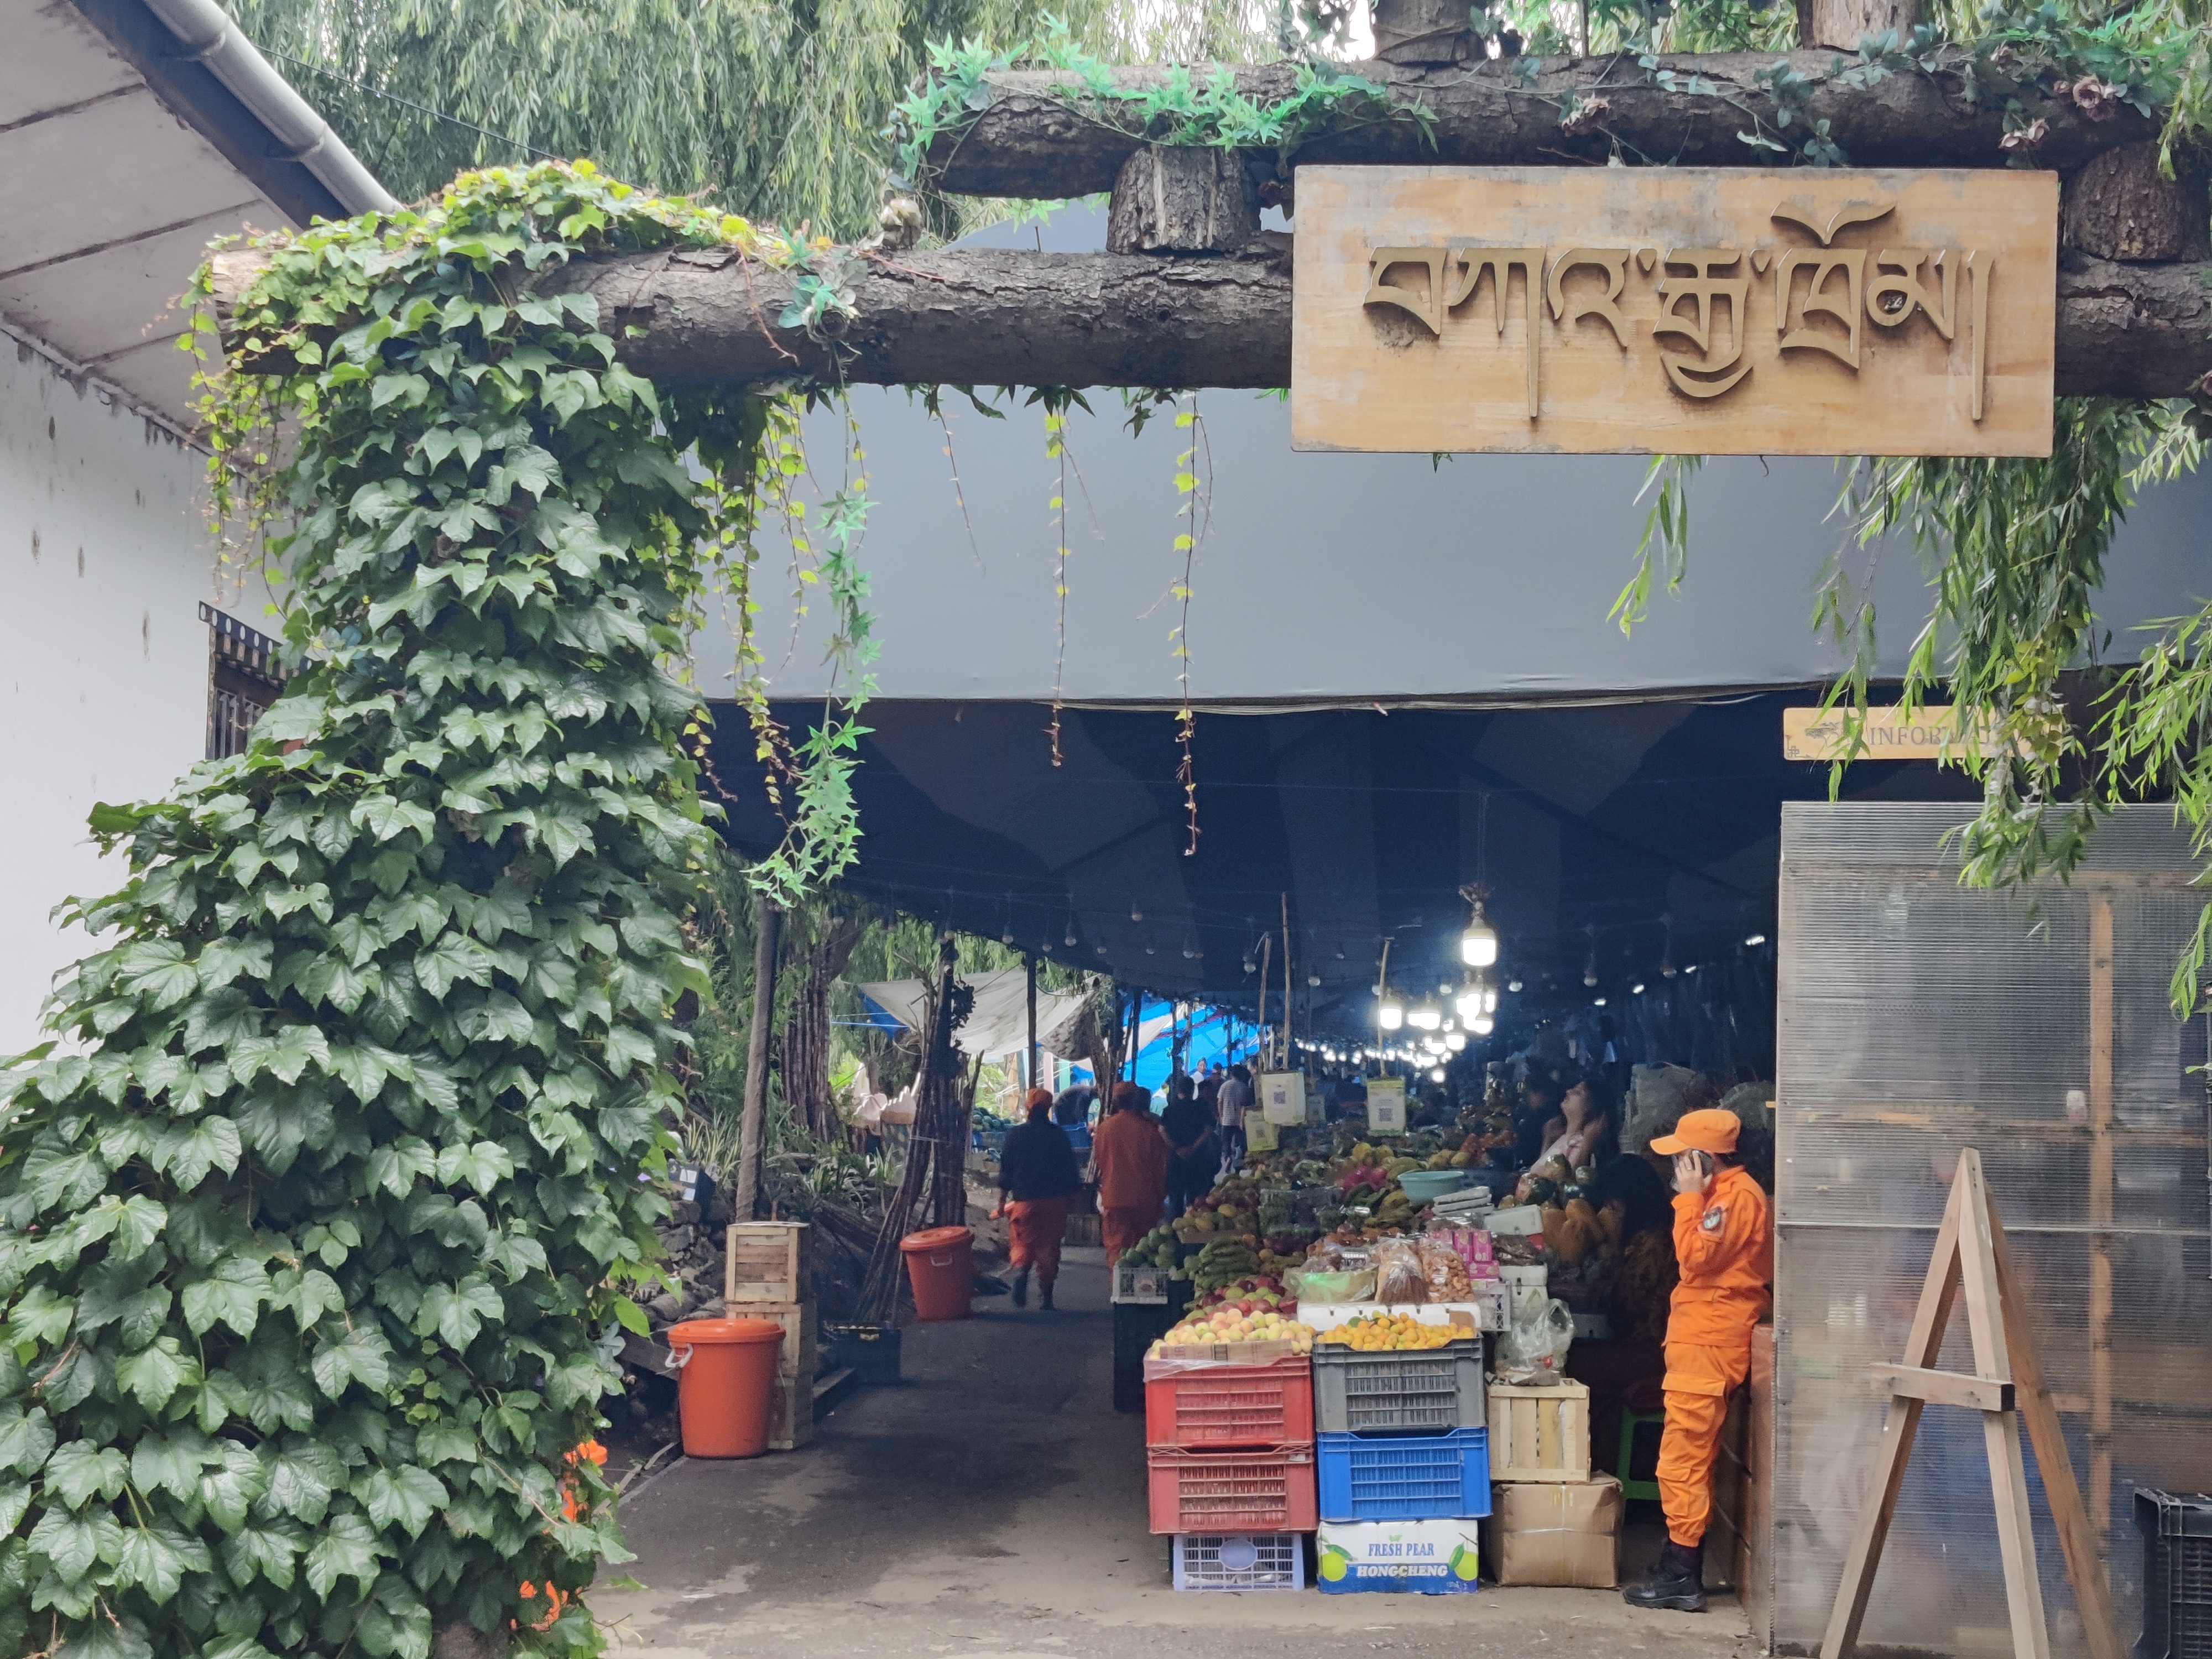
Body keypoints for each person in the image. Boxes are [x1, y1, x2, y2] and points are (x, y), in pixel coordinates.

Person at [1624, 1108, 1772, 1614]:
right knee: (1686, 1458)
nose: (1675, 1169)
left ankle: (1682, 1573)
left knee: (1682, 1460)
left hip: (1709, 1343)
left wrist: (1688, 1199)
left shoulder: (1734, 1198)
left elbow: (1695, 1258)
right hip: (1702, 1341)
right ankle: (1678, 1562)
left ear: (1703, 1160)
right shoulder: (1726, 1196)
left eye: (1682, 1159)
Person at [994, 1088, 1083, 1310]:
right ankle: (1046, 1298)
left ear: (1028, 1107)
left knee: (1023, 1242)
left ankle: (1022, 1271)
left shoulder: (1015, 1135)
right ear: (1049, 1109)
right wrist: (1073, 1201)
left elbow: (1006, 1173)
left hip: (1026, 1203)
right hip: (1055, 1203)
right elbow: (1071, 1172)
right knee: (1050, 1248)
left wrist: (1001, 1203)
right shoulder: (1058, 1136)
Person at [1091, 1079, 1168, 1267]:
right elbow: (1160, 1167)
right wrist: (1160, 1196)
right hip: (1145, 1198)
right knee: (1144, 1250)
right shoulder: (1150, 1130)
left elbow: (1100, 1162)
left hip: (1114, 1197)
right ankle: (1141, 1284)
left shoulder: (1104, 1129)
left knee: (1117, 1248)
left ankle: (1118, 1283)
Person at [1160, 1074, 1219, 1217]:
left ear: (1177, 1090)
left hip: (1176, 1160)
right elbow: (1208, 1130)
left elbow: (1162, 1130)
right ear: (1193, 1090)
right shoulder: (1201, 1107)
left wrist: (1177, 1149)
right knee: (1196, 1202)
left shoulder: (1169, 1110)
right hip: (1198, 1159)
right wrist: (1193, 1148)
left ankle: (1175, 1227)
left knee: (1176, 1200)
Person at [1215, 1062, 1252, 1168]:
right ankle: (1237, 1160)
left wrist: (1221, 1115)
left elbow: (1220, 1102)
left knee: (1226, 1141)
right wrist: (1242, 1120)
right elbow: (1245, 1105)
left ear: (1231, 1074)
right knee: (1238, 1142)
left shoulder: (1224, 1085)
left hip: (1226, 1120)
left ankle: (1228, 1157)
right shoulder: (1243, 1087)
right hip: (1238, 1119)